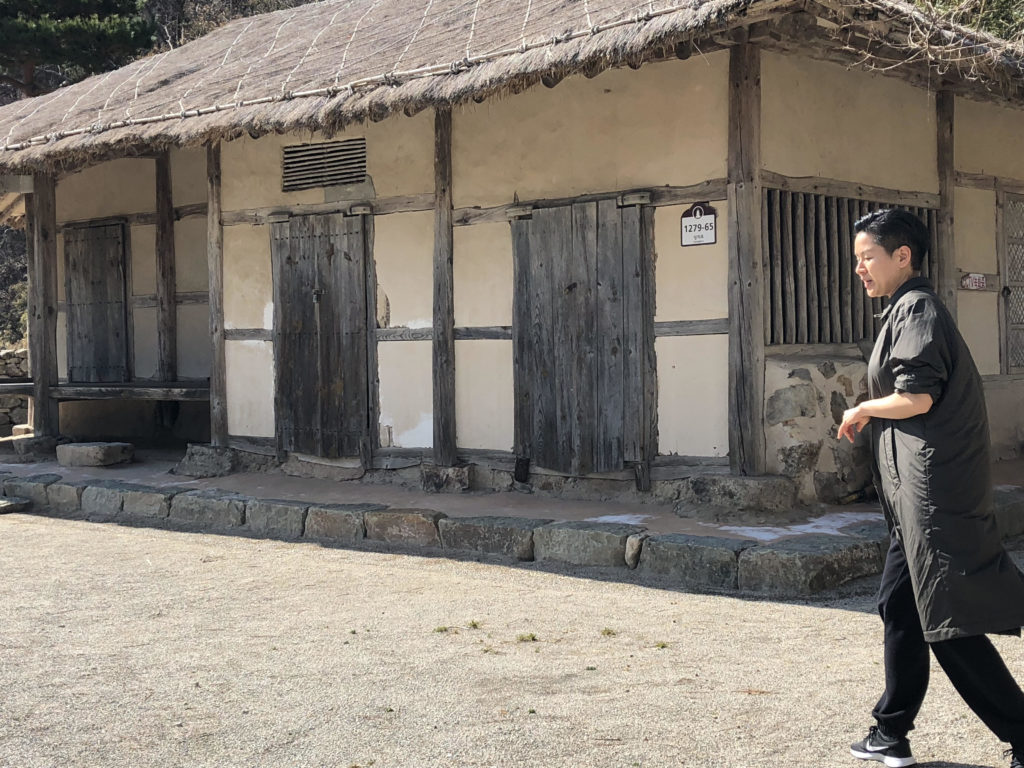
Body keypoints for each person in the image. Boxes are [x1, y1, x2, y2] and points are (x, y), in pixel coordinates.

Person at [837, 208, 1024, 768]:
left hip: (934, 497)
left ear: (903, 257)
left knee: (948, 622)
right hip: (913, 498)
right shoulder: (905, 309)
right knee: (902, 606)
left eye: (867, 258)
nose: (861, 270)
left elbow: (918, 396)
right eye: (857, 260)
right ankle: (890, 732)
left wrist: (862, 408)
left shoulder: (917, 308)